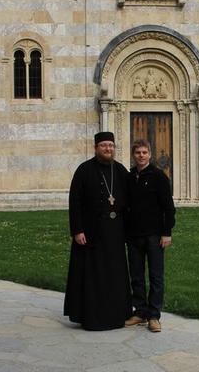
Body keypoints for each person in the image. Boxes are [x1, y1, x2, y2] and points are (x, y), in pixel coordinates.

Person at [64, 131, 132, 330]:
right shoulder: (84, 170)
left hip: (115, 233)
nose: (108, 149)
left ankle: (117, 314)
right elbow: (74, 203)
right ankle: (92, 316)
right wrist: (77, 230)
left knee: (114, 274)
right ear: (96, 148)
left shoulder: (120, 170)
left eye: (111, 145)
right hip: (91, 232)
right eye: (104, 145)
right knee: (93, 274)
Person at [125, 139, 176, 333]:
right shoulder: (129, 177)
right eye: (138, 152)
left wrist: (167, 233)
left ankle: (154, 316)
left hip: (155, 236)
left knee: (156, 277)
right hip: (134, 236)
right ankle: (140, 312)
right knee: (136, 276)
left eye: (144, 152)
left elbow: (168, 208)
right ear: (133, 155)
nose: (141, 156)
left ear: (150, 154)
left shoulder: (159, 177)